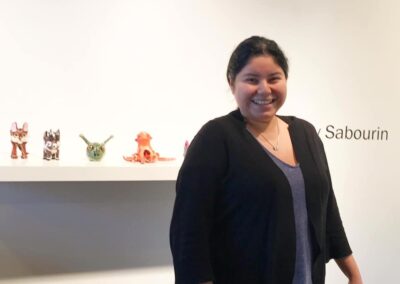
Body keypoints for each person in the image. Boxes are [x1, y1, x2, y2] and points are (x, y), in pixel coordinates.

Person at [169, 36, 363, 284]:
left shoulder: (306, 133)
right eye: (252, 80)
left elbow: (327, 211)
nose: (264, 89)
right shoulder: (215, 139)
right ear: (232, 83)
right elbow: (189, 234)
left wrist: (353, 274)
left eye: (274, 78)